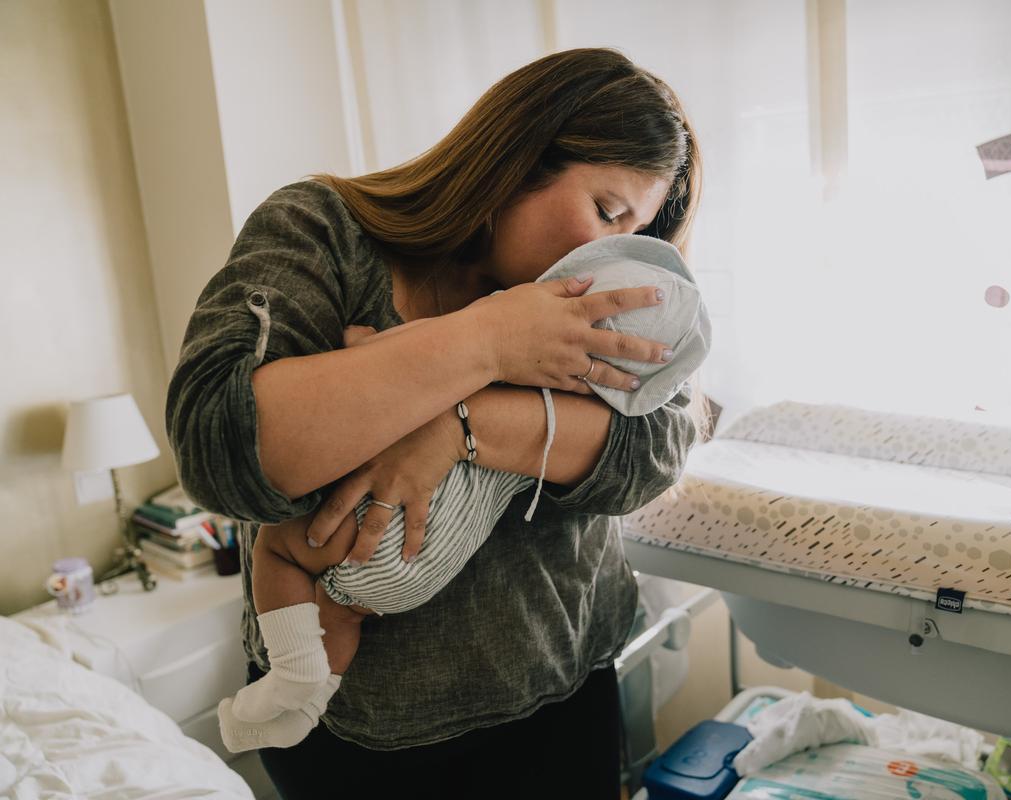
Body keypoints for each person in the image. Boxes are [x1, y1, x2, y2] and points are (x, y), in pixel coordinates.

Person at [165, 47, 705, 798]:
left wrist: (459, 421)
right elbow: (219, 447)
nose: (609, 249)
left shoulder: (611, 293)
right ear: (515, 159)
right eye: (606, 211)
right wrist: (486, 342)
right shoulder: (321, 231)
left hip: (559, 695)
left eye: (635, 230)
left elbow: (657, 447)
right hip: (360, 738)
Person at [216, 233, 712, 752]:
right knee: (343, 608)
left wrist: (364, 344)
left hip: (379, 529)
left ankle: (295, 678)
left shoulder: (501, 340)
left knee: (278, 549)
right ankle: (312, 706)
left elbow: (401, 354)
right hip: (427, 562)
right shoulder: (591, 402)